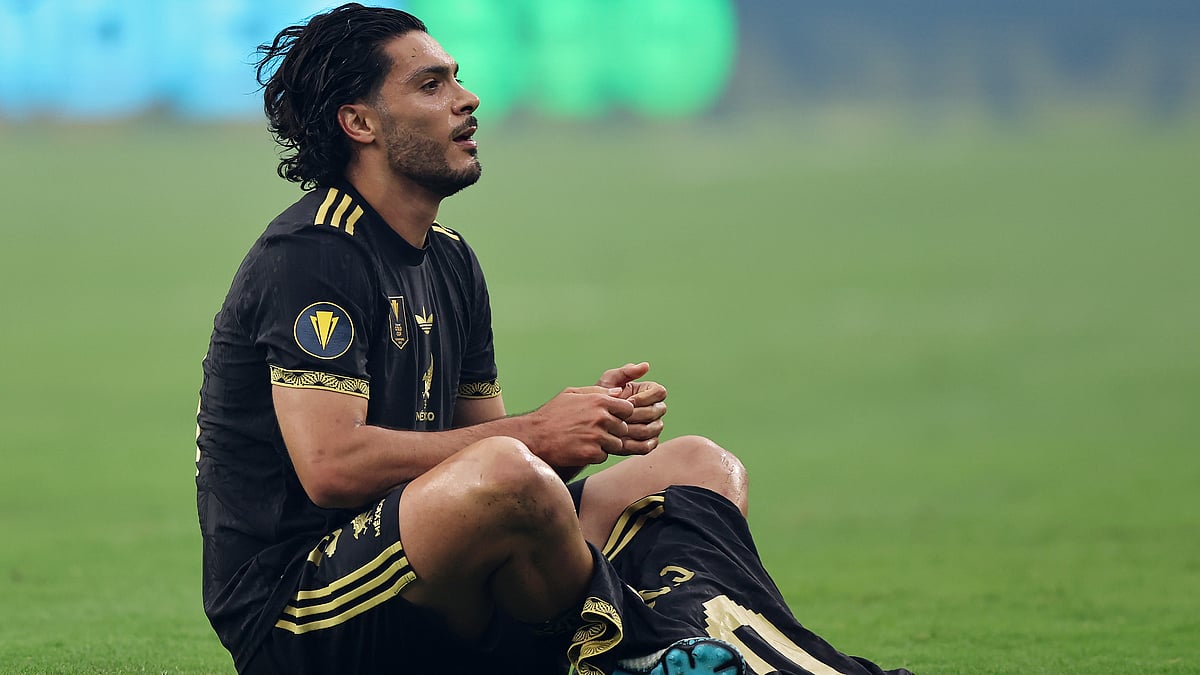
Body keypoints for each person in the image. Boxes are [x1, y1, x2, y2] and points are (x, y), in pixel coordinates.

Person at [195, 4, 913, 674]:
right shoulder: (314, 253)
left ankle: (718, 649)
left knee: (698, 468)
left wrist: (583, 427)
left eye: (458, 78)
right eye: (431, 84)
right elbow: (331, 466)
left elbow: (486, 443)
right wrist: (539, 433)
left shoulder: (449, 258)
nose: (467, 98)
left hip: (430, 583)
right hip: (302, 608)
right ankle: (640, 651)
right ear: (360, 122)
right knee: (511, 472)